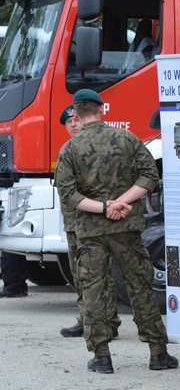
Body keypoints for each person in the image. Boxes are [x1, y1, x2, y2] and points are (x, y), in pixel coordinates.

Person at [55, 89, 177, 374]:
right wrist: (121, 202)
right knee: (140, 289)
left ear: (75, 114)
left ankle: (101, 357)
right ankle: (158, 354)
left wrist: (103, 206)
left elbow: (68, 194)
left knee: (93, 291)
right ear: (102, 110)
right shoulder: (127, 139)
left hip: (89, 232)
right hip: (127, 228)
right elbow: (150, 175)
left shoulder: (70, 148)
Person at [57, 105, 121, 339]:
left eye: (75, 121)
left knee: (100, 275)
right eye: (68, 123)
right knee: (79, 274)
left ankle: (108, 321)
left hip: (93, 223)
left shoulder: (94, 149)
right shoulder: (67, 150)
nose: (73, 125)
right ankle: (87, 318)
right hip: (73, 225)